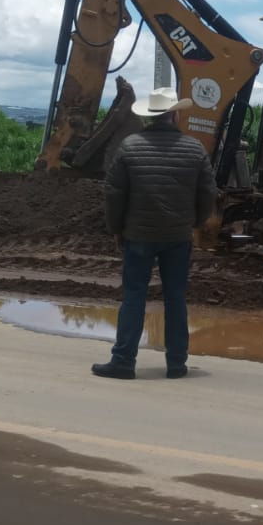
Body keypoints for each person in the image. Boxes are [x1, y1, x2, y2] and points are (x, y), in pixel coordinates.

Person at [92, 86, 219, 381]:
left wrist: (115, 228)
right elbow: (208, 192)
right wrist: (195, 223)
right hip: (178, 237)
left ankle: (123, 361)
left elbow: (113, 193)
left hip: (138, 235)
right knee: (175, 297)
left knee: (134, 296)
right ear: (175, 114)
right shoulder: (194, 149)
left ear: (150, 116)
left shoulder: (129, 146)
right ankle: (176, 363)